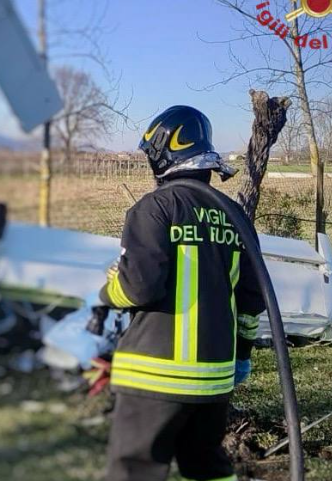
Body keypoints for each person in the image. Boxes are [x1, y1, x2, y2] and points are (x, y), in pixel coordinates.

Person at [97, 105, 265, 481]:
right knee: (207, 468)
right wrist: (242, 356)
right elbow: (252, 300)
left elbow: (138, 287)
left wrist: (109, 291)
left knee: (134, 471)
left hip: (153, 377)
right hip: (215, 379)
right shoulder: (234, 215)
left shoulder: (154, 208)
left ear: (162, 153)